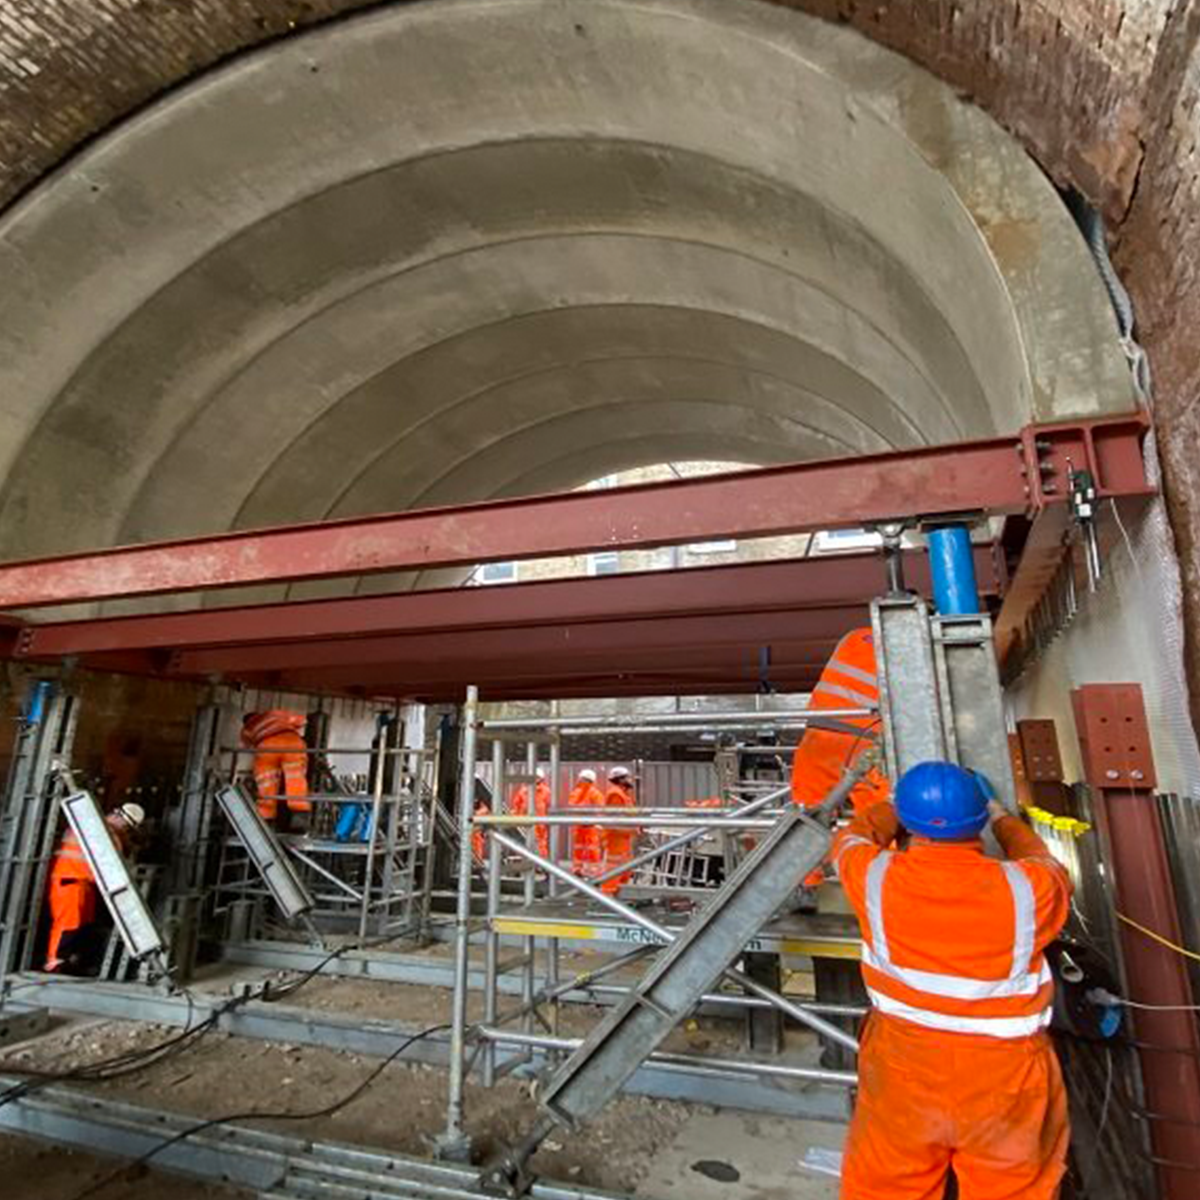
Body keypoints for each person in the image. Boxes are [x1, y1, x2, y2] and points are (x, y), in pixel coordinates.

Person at [831, 761, 1072, 1200]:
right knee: (1012, 1188)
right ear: (978, 818)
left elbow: (849, 838)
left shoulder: (877, 878)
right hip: (1004, 1076)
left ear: (908, 821)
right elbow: (1046, 862)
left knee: (884, 1186)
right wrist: (1001, 817)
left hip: (904, 1066)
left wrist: (890, 804)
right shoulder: (1028, 887)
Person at [791, 627, 890, 887]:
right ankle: (884, 879)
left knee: (807, 811)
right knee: (880, 814)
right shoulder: (907, 646)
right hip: (867, 742)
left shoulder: (852, 637)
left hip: (821, 734)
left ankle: (806, 881)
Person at [45, 802, 145, 974]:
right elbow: (114, 863)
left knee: (83, 924)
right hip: (70, 879)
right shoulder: (104, 832)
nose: (126, 831)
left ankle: (69, 960)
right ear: (120, 818)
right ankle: (55, 962)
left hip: (81, 882)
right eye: (128, 827)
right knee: (68, 924)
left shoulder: (99, 827)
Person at [242, 710, 312, 826]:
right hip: (292, 744)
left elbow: (248, 747)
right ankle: (299, 816)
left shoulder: (246, 729)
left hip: (266, 747)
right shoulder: (275, 714)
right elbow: (303, 720)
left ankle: (265, 818)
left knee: (266, 782)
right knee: (295, 779)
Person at [600, 766, 639, 896]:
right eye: (626, 777)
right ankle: (608, 894)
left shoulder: (623, 794)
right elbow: (614, 820)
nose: (629, 779)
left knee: (624, 868)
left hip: (623, 838)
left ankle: (619, 893)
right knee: (614, 867)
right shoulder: (615, 794)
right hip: (616, 838)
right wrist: (631, 829)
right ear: (620, 779)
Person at [567, 768, 604, 878]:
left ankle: (579, 870)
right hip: (588, 827)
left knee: (583, 849)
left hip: (585, 827)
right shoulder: (595, 793)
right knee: (589, 850)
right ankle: (589, 872)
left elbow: (571, 808)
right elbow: (600, 810)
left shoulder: (577, 793)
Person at [511, 767, 552, 859]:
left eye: (537, 777)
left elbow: (549, 807)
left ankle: (541, 864)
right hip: (524, 822)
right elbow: (516, 806)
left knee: (540, 843)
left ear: (541, 778)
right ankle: (525, 862)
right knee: (524, 842)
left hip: (540, 823)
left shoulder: (546, 791)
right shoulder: (523, 791)